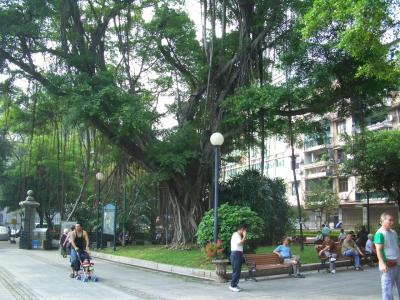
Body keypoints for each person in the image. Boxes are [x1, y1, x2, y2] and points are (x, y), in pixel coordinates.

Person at [374, 212, 400, 300]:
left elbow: (397, 246)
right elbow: (379, 249)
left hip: (398, 264)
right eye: (390, 220)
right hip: (388, 266)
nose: (392, 222)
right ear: (382, 221)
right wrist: (382, 263)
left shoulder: (394, 232)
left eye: (393, 220)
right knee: (387, 290)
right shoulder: (379, 233)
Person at [229, 224, 248, 292]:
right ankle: (232, 285)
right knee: (236, 271)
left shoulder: (238, 236)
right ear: (242, 229)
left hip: (238, 254)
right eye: (245, 230)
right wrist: (245, 236)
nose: (245, 231)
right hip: (235, 254)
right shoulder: (235, 235)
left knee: (237, 271)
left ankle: (235, 284)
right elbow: (239, 243)